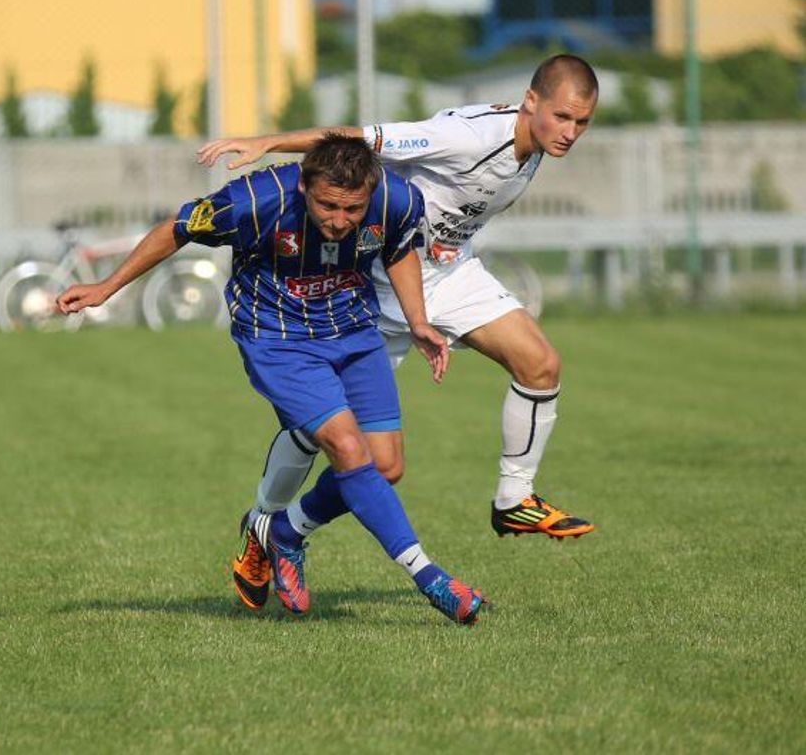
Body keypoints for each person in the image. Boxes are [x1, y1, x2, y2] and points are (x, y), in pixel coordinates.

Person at [199, 54, 599, 607]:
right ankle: (264, 525)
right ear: (531, 101)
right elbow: (362, 140)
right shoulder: (465, 136)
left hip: (451, 273)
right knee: (329, 440)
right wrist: (270, 142)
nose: (571, 133)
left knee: (541, 365)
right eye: (562, 118)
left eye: (582, 123)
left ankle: (513, 498)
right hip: (383, 281)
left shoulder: (533, 146)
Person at [57, 134, 485, 624]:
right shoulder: (254, 200)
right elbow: (175, 228)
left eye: (352, 209)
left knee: (386, 467)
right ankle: (430, 577)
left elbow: (397, 249)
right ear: (304, 185)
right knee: (347, 449)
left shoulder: (394, 197)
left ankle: (282, 531)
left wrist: (418, 321)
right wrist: (105, 288)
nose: (340, 221)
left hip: (353, 329)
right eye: (328, 206)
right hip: (279, 339)